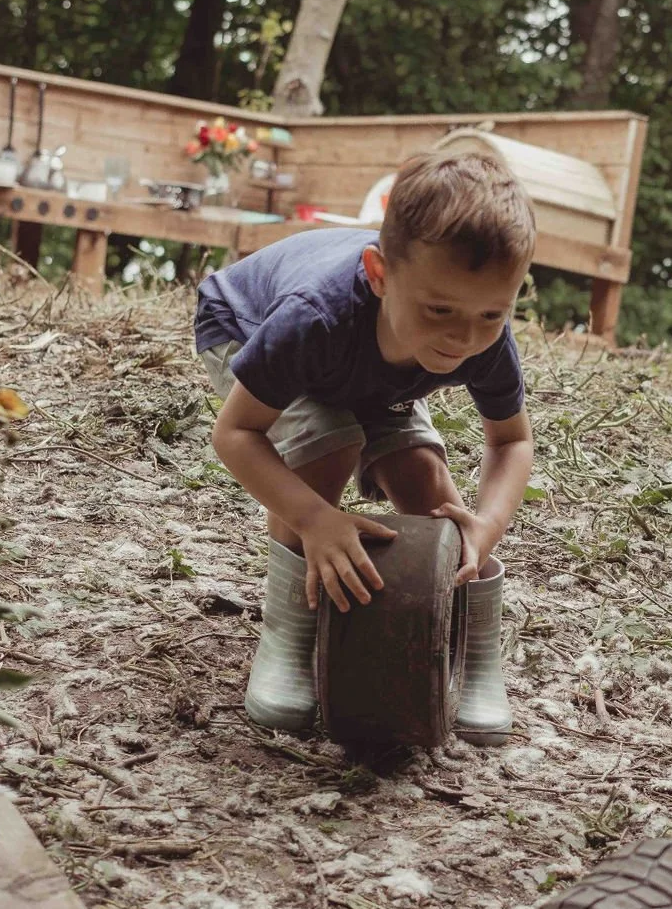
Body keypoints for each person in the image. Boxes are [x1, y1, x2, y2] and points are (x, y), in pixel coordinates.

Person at [194, 150, 536, 746]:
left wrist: (487, 526)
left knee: (431, 490)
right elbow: (236, 433)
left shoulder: (479, 335)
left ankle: (473, 648)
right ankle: (288, 637)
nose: (464, 337)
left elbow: (512, 439)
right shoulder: (313, 319)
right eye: (440, 309)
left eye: (491, 313)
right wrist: (314, 518)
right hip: (246, 326)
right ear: (379, 275)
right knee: (329, 445)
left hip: (373, 360)